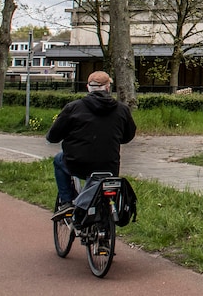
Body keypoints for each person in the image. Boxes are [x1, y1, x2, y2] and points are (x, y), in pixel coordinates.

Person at [46, 70, 136, 215]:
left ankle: (66, 202)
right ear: (108, 88)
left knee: (58, 160)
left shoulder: (73, 108)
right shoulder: (122, 110)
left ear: (88, 87)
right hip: (109, 166)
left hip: (78, 164)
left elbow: (53, 136)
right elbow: (128, 136)